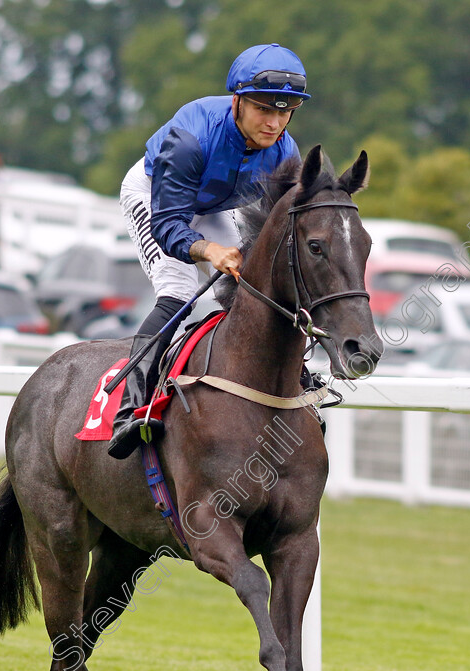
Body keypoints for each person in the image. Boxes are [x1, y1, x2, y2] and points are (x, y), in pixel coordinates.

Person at [109, 43, 311, 459]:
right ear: (237, 100)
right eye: (264, 110)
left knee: (250, 283)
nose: (275, 124)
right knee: (178, 290)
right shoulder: (191, 136)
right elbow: (169, 226)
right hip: (156, 198)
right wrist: (208, 250)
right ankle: (130, 407)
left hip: (213, 207)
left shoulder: (285, 152)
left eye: (285, 111)